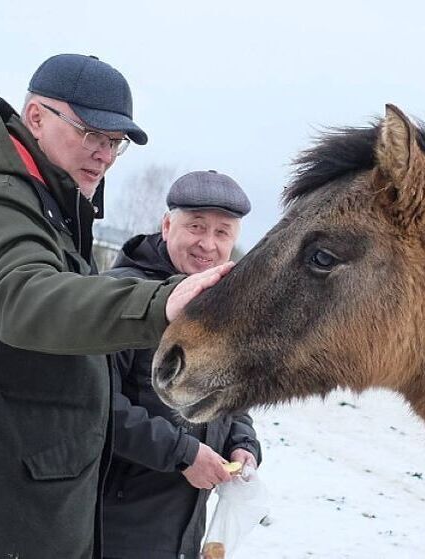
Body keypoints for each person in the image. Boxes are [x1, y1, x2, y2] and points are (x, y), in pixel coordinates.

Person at [0, 54, 231, 559]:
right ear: (36, 117)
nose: (103, 154)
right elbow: (23, 297)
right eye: (90, 134)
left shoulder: (41, 199)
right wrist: (162, 303)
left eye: (114, 143)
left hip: (2, 485)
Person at [102, 170, 262, 559]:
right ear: (167, 224)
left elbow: (229, 399)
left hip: (183, 525)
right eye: (196, 226)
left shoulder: (222, 306)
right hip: (113, 522)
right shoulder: (123, 296)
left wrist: (244, 444)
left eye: (222, 233)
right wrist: (182, 453)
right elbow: (96, 406)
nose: (208, 244)